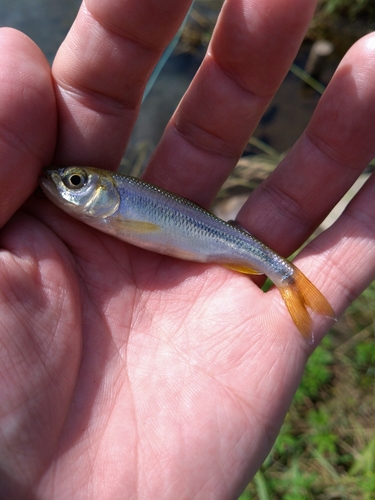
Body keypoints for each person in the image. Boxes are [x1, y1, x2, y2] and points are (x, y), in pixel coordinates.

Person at [0, 0, 374, 497]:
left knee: (277, 266)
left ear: (106, 193)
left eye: (74, 181)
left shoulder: (118, 208)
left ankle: (288, 279)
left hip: (226, 242)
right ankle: (288, 280)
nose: (63, 186)